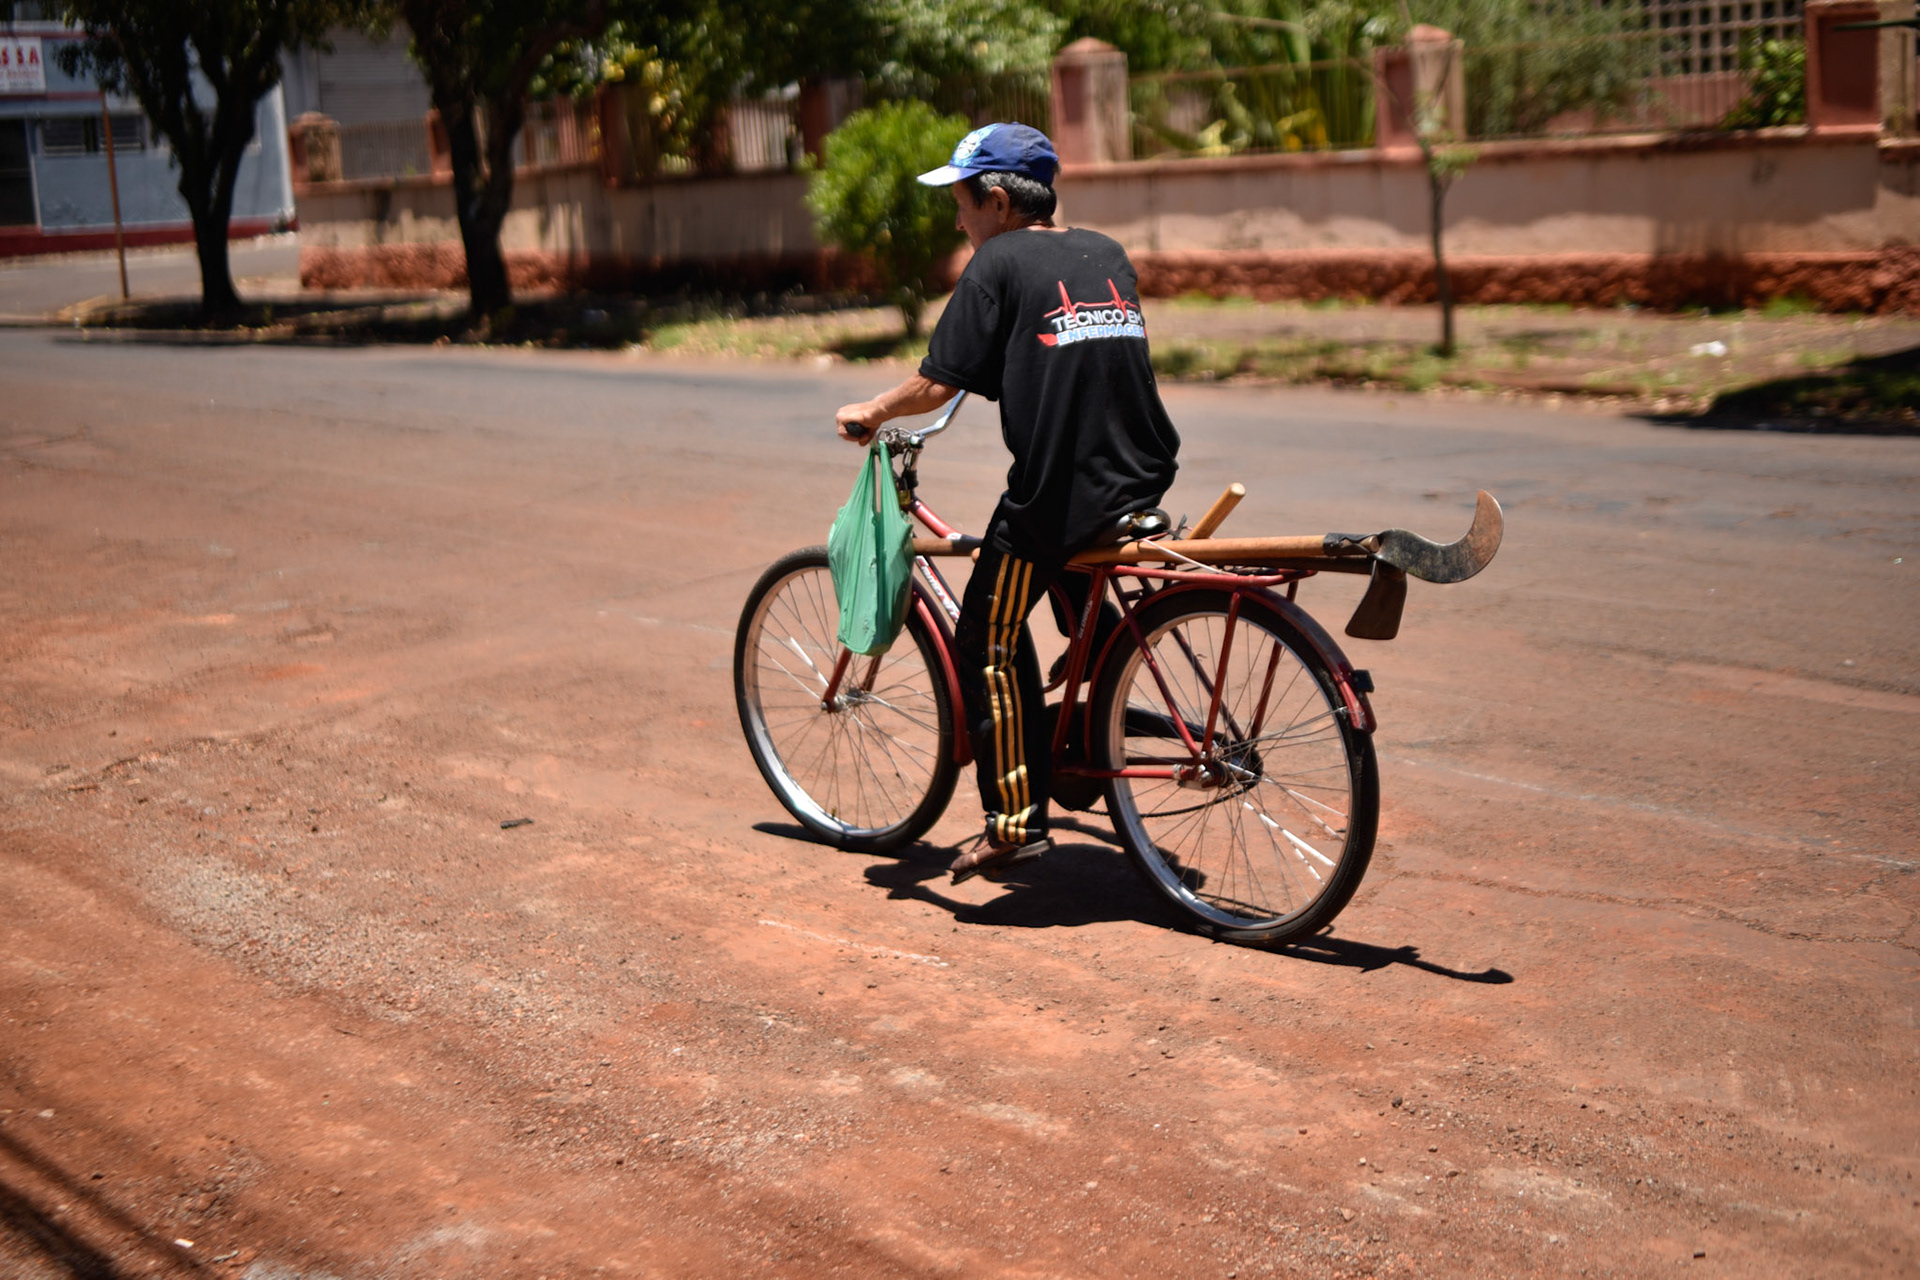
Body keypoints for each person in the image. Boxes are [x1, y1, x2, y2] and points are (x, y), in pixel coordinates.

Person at [834, 122, 1180, 884]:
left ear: (995, 199)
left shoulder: (996, 261)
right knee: (1041, 584)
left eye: (960, 202)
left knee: (984, 633)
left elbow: (937, 384)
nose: (957, 220)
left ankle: (1015, 822)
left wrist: (874, 410)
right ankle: (1090, 691)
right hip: (1143, 470)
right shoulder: (1103, 252)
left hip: (1062, 495)